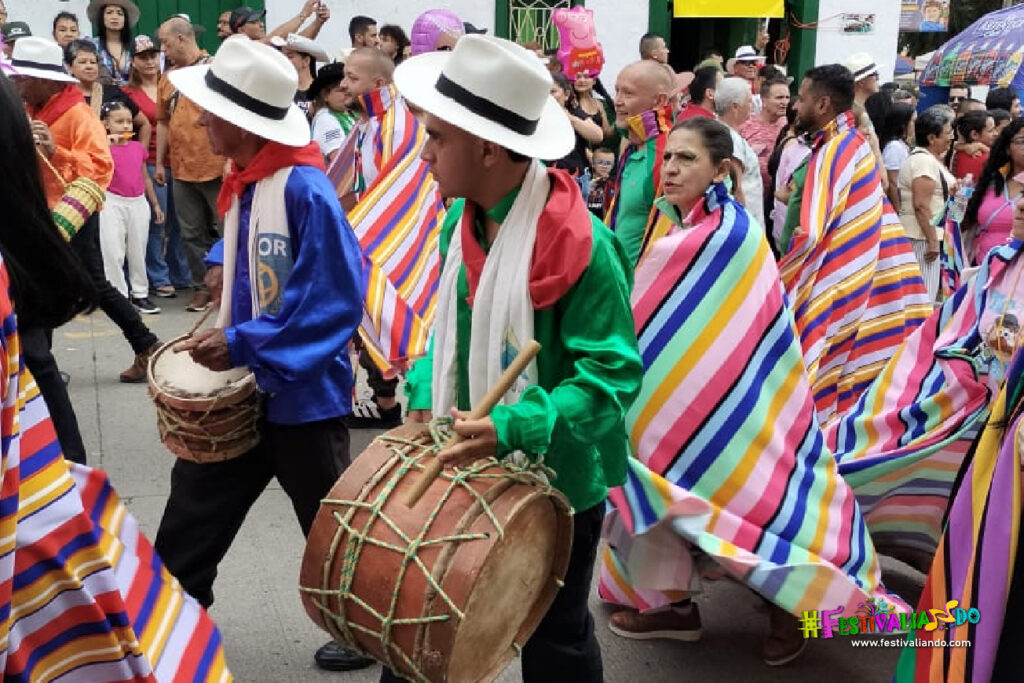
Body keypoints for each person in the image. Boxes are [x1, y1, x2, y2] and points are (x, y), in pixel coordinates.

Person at [598, 116, 899, 668]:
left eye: (687, 159)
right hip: (690, 402)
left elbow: (739, 335)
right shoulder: (688, 228)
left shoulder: (727, 235)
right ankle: (673, 605)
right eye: (669, 157)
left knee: (755, 492)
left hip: (747, 404)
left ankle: (791, 603)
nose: (671, 169)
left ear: (722, 170)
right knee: (651, 473)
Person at [394, 33, 642, 683]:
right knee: (425, 622)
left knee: (556, 640)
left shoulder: (585, 245)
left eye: (436, 137)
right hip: (464, 462)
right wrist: (424, 392)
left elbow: (612, 377)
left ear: (486, 146)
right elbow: (449, 336)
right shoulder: (459, 223)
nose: (423, 153)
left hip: (556, 483)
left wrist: (513, 424)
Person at [0, 68, 231, 680]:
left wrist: (241, 340)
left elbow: (95, 169)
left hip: (66, 223)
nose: (203, 126)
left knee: (63, 330)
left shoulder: (74, 114)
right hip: (42, 235)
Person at [150, 34, 366, 674]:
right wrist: (223, 258)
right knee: (191, 512)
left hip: (304, 398)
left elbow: (334, 298)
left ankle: (360, 629)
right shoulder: (248, 178)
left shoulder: (305, 190)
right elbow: (244, 237)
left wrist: (240, 339)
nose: (200, 122)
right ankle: (172, 615)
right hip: (241, 391)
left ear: (243, 123)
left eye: (210, 113)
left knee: (331, 528)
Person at [780, 63, 931, 424]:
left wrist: (782, 280)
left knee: (826, 359)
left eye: (801, 98)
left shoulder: (836, 149)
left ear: (822, 104)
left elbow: (814, 233)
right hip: (867, 272)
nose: (795, 106)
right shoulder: (851, 143)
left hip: (846, 277)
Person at [13, 36, 161, 386]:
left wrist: (56, 151)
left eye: (22, 78)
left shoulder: (77, 114)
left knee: (88, 284)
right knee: (47, 285)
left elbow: (100, 167)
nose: (16, 83)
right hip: (44, 213)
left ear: (45, 81)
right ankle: (45, 366)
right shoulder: (32, 109)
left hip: (74, 213)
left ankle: (145, 345)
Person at [328, 46, 444, 431]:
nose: (344, 84)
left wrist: (355, 235)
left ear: (378, 83)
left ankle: (407, 407)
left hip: (397, 240)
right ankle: (386, 405)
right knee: (370, 320)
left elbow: (402, 193)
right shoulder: (369, 122)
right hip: (373, 237)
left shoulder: (396, 124)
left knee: (392, 317)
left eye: (352, 78)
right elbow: (356, 183)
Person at [156, 16, 226, 313]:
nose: (163, 50)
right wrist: (160, 162)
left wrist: (231, 161)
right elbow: (162, 121)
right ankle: (201, 288)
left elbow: (229, 117)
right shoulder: (167, 78)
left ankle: (231, 286)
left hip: (216, 165)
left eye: (165, 43)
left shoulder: (215, 70)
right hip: (181, 168)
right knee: (190, 234)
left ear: (181, 38)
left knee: (226, 230)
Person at [122, 33, 189, 299]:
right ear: (133, 61)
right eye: (142, 57)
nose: (149, 61)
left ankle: (180, 273)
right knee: (156, 222)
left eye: (153, 55)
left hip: (180, 160)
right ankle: (157, 275)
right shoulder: (127, 93)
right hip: (149, 162)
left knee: (181, 223)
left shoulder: (172, 83)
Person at [97, 100, 163, 313]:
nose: (125, 125)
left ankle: (140, 293)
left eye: (128, 121)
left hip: (137, 202)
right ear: (106, 124)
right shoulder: (102, 148)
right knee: (113, 251)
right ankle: (119, 296)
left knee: (137, 250)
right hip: (112, 201)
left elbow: (145, 176)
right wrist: (104, 142)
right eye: (119, 122)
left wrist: (155, 204)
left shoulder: (137, 148)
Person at [606, 59, 674, 266]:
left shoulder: (670, 153)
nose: (617, 101)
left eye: (628, 93)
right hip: (618, 274)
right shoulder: (634, 145)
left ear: (659, 100)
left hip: (646, 277)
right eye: (617, 91)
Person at [897, 105, 956, 301]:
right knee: (922, 296)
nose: (952, 137)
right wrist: (931, 240)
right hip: (921, 237)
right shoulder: (924, 161)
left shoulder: (929, 160)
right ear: (932, 138)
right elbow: (921, 205)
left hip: (925, 235)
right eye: (948, 132)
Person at [961, 118, 1024, 266]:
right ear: (1007, 148)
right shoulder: (990, 182)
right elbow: (960, 221)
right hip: (982, 269)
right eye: (1021, 141)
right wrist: (957, 199)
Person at [715, 77, 764, 228]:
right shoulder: (729, 137)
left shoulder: (723, 131)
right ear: (735, 107)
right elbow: (736, 187)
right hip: (745, 219)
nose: (752, 105)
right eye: (749, 101)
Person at [739, 76, 789, 194]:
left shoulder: (790, 127)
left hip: (779, 195)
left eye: (787, 97)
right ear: (764, 101)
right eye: (779, 98)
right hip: (751, 193)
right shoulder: (746, 125)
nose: (785, 102)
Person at [547, 71, 602, 177]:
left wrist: (570, 119)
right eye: (544, 92)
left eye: (553, 92)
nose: (548, 96)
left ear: (566, 94)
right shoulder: (536, 116)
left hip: (575, 178)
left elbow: (598, 135)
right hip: (546, 175)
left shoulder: (574, 112)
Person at [272, 33, 329, 118]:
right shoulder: (282, 91)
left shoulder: (322, 91)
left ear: (306, 61)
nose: (284, 60)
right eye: (283, 56)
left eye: (290, 56)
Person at [86, 0, 138, 85]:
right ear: (102, 17)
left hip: (132, 91)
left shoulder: (136, 45)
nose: (115, 17)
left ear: (125, 19)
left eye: (119, 13)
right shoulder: (91, 45)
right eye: (109, 12)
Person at [309, 61, 350, 162]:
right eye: (341, 90)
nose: (347, 93)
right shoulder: (325, 119)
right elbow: (340, 160)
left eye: (348, 89)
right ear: (325, 95)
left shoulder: (348, 114)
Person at [879, 101, 916, 211]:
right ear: (903, 125)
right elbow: (893, 182)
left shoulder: (902, 144)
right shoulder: (894, 147)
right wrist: (898, 210)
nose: (915, 125)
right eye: (913, 121)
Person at [950, 110, 996, 181]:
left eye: (995, 129)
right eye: (990, 131)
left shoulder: (956, 154)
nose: (996, 133)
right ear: (974, 134)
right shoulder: (986, 158)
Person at [572, 71, 614, 140]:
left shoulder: (599, 103)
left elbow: (606, 133)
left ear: (594, 81)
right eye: (578, 77)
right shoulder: (570, 103)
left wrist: (620, 122)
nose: (582, 80)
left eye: (586, 77)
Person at [731, 45, 762, 111]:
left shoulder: (760, 84)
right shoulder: (731, 87)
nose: (751, 66)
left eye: (753, 63)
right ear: (735, 67)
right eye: (746, 63)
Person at [586, 146, 615, 216]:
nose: (604, 166)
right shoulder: (586, 183)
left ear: (612, 166)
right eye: (600, 162)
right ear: (593, 164)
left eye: (608, 163)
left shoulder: (614, 185)